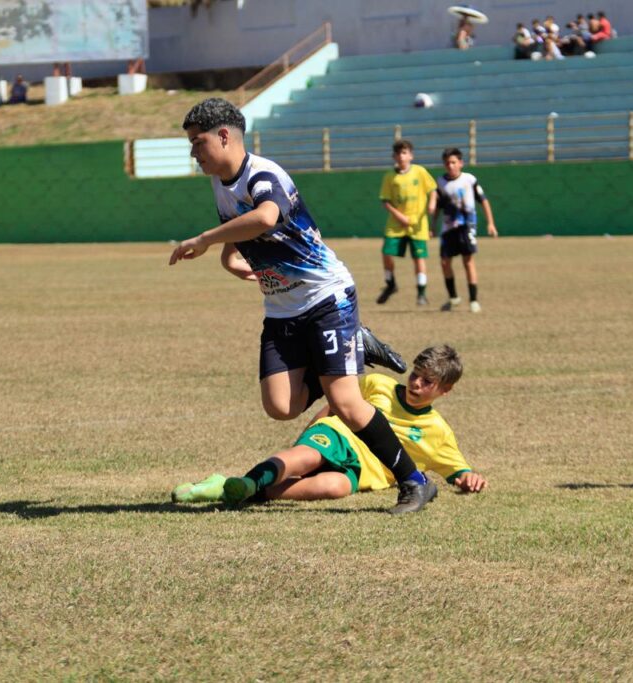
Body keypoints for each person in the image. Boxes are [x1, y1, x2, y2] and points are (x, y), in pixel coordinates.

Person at [169, 98, 437, 514]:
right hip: (281, 309)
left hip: (326, 297)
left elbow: (266, 218)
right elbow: (239, 236)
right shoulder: (221, 185)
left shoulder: (264, 174)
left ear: (224, 136)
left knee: (345, 400)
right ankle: (357, 349)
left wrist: (204, 239)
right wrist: (229, 259)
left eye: (197, 142)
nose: (193, 152)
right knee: (281, 406)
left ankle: (414, 482)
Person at [172, 344, 487, 506]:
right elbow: (335, 405)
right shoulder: (378, 384)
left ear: (445, 389)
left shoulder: (438, 431)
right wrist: (308, 435)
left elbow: (458, 471)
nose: (417, 382)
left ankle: (240, 488)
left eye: (428, 381)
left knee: (333, 488)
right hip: (337, 436)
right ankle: (248, 482)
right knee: (307, 456)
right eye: (416, 373)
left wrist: (469, 480)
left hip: (360, 472)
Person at [433, 148, 498, 314]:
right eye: (447, 163)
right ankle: (453, 297)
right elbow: (438, 208)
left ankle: (474, 300)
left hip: (466, 225)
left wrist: (490, 223)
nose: (450, 166)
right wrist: (432, 226)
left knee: (467, 260)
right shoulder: (440, 182)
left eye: (454, 162)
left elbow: (483, 201)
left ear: (461, 163)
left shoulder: (469, 180)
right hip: (448, 228)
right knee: (444, 262)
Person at [377, 139, 438, 307]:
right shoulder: (390, 176)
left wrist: (432, 203)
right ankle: (390, 284)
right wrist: (400, 217)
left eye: (404, 153)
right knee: (386, 252)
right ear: (393, 157)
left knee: (418, 258)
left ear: (411, 155)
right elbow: (385, 201)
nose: (401, 156)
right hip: (396, 224)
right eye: (398, 153)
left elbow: (432, 189)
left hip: (418, 224)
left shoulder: (419, 171)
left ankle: (421, 293)